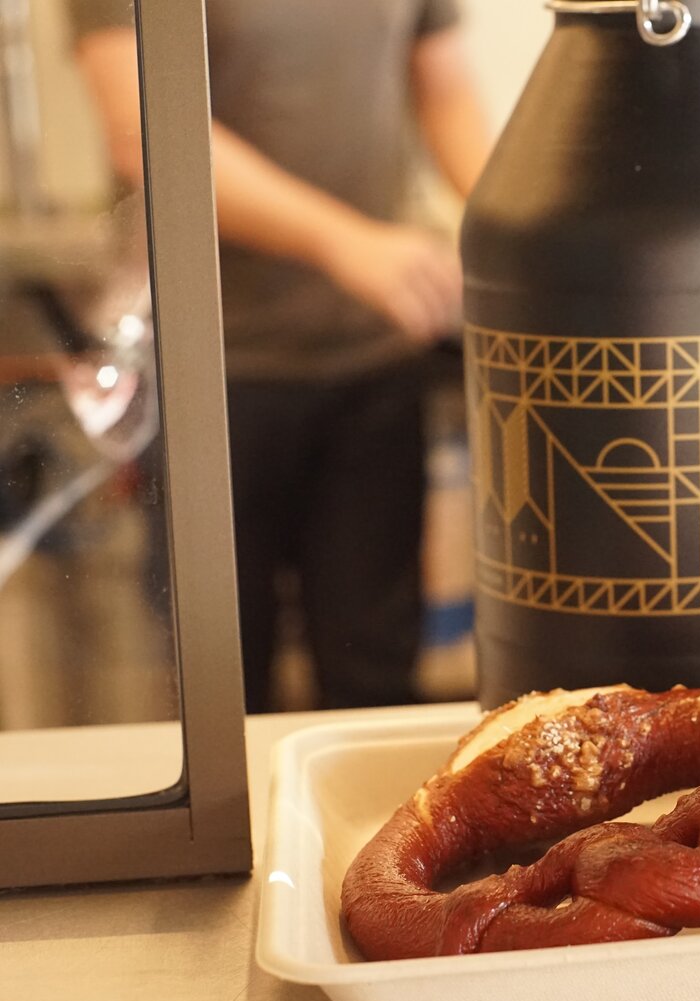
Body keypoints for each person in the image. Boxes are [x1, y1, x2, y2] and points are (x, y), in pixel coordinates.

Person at [70, 0, 492, 711]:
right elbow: (143, 130)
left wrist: (523, 226)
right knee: (221, 692)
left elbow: (445, 92)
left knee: (375, 679)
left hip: (374, 363)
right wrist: (342, 241)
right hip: (210, 376)